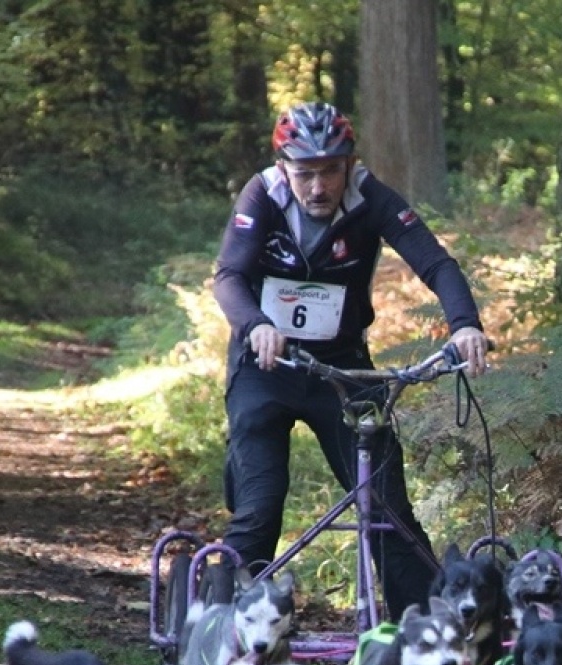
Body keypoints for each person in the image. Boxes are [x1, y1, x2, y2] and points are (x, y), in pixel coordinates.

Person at [210, 102, 490, 618]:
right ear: (283, 169)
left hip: (343, 370)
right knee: (259, 509)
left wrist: (465, 323)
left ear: (349, 166)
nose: (318, 187)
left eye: (330, 172)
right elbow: (228, 276)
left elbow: (434, 261)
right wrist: (256, 326)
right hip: (265, 368)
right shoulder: (262, 194)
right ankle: (218, 632)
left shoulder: (370, 196)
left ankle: (421, 638)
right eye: (305, 173)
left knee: (388, 511)